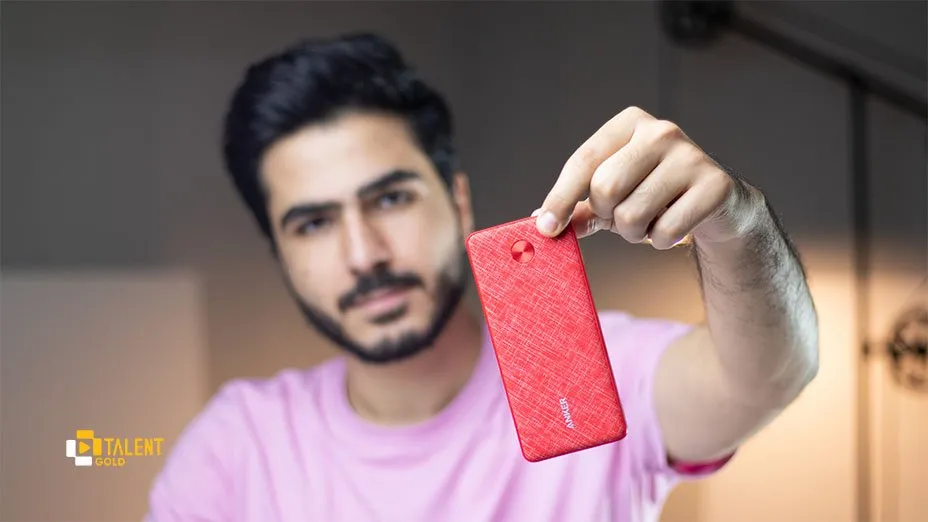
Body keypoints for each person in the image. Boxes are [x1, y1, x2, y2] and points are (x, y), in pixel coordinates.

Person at [146, 33, 819, 522]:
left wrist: (739, 226)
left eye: (390, 198)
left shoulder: (596, 366)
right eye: (314, 223)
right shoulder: (237, 444)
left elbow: (766, 379)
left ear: (458, 201)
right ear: (279, 251)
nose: (364, 253)